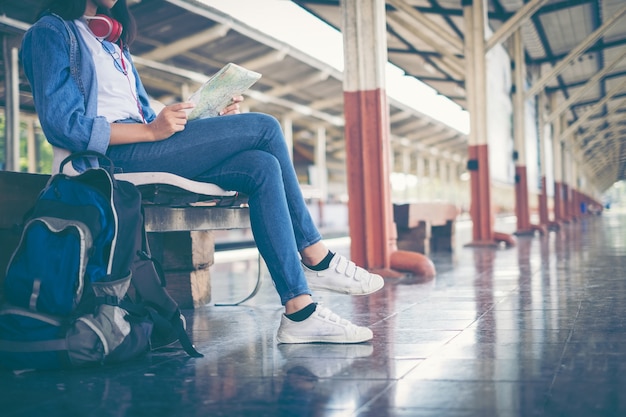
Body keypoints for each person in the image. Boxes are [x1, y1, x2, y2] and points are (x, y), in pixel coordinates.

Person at [20, 0, 384, 344]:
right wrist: (151, 132)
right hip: (113, 160)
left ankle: (299, 314)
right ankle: (316, 257)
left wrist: (207, 121)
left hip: (146, 145)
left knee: (261, 165)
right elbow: (63, 124)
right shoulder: (50, 33)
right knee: (266, 127)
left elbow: (148, 117)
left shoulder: (112, 42)